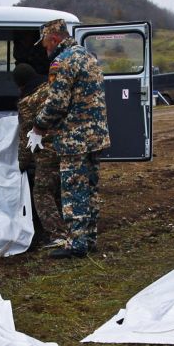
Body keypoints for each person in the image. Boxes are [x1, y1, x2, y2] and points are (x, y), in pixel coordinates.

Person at [31, 19, 110, 259]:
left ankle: (76, 244)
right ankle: (89, 237)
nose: (45, 49)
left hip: (74, 138)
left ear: (54, 39)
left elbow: (57, 103)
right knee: (90, 188)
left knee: (74, 189)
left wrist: (38, 125)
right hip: (95, 136)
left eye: (45, 44)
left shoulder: (62, 62)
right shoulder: (87, 56)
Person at [13, 63, 65, 247]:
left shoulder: (28, 101)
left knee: (42, 192)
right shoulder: (53, 88)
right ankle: (70, 228)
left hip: (46, 152)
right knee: (60, 189)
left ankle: (57, 235)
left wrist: (22, 162)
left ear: (20, 85)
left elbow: (27, 135)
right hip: (67, 147)